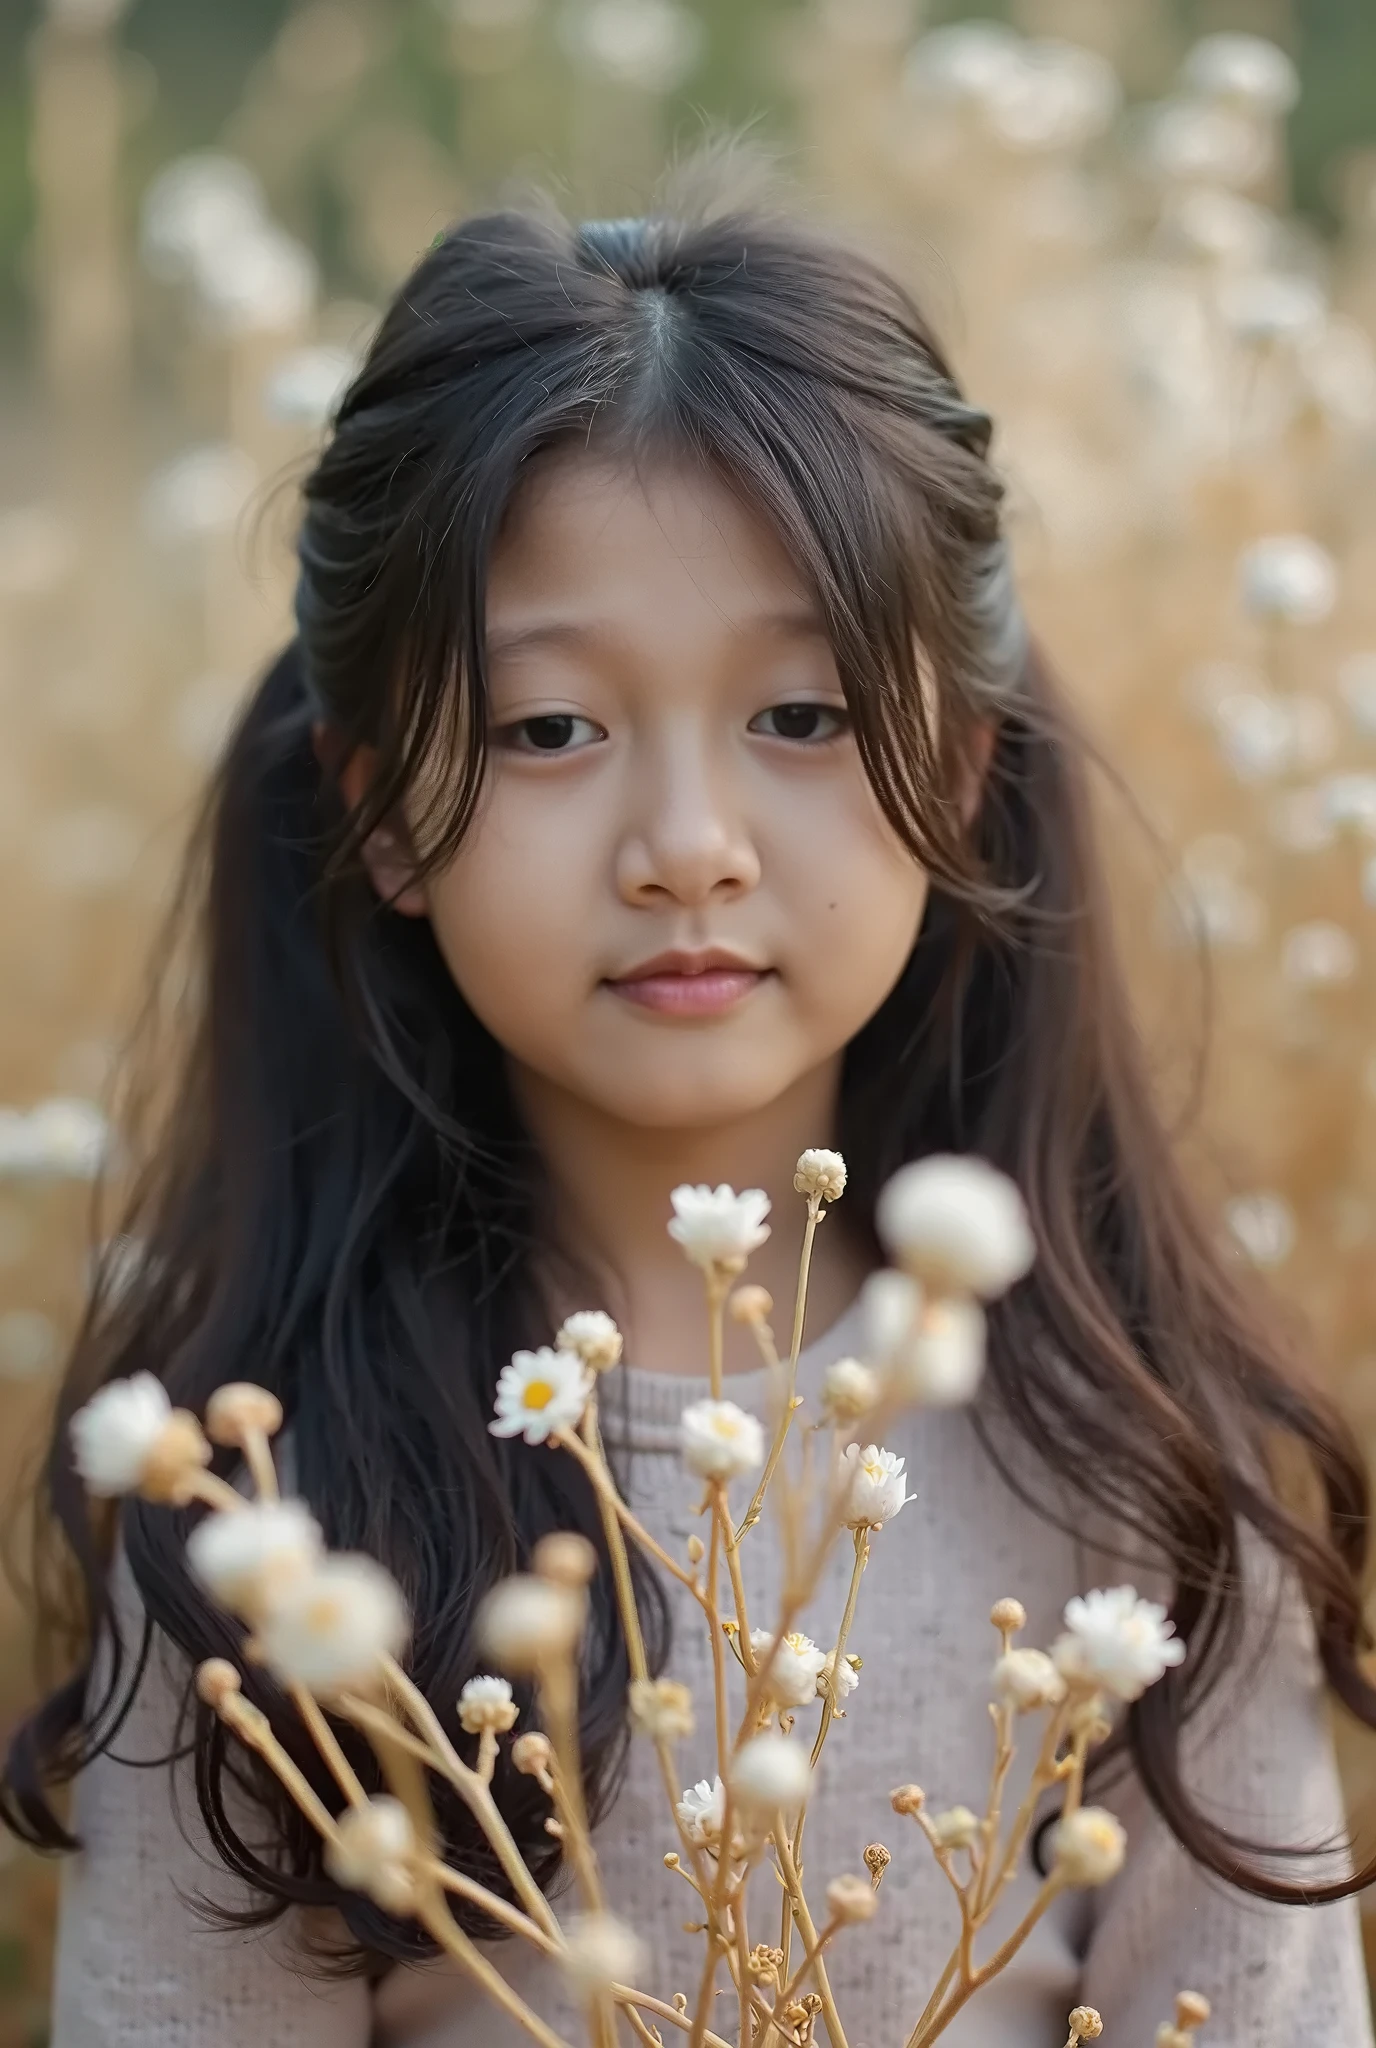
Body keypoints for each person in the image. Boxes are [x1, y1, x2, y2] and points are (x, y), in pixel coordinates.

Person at [4, 165, 1374, 2048]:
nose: (689, 850)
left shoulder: (1139, 1483)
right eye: (547, 728)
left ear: (963, 770)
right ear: (385, 800)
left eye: (803, 717)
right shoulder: (266, 1531)